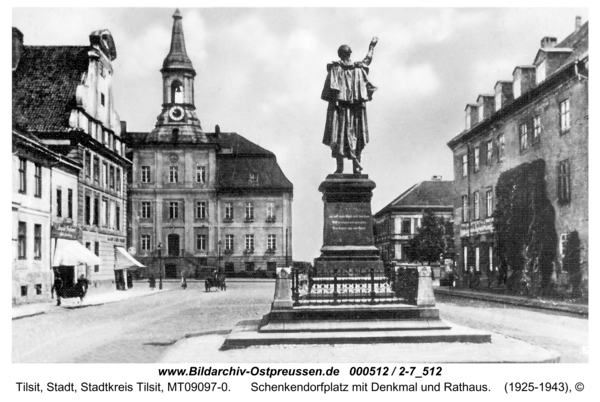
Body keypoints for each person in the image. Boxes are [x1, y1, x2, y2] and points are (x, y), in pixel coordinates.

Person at [321, 37, 378, 174]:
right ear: (349, 54)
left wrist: (371, 47)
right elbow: (368, 60)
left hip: (352, 110)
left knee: (351, 137)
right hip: (342, 110)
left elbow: (367, 61)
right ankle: (349, 168)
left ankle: (348, 168)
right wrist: (371, 47)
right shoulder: (339, 68)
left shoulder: (353, 68)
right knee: (345, 137)